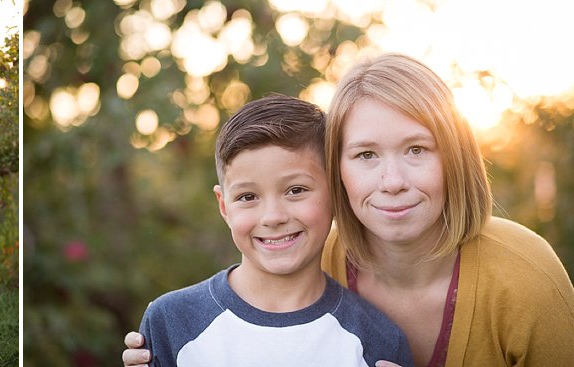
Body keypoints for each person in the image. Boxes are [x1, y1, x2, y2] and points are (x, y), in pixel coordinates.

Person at [123, 53, 574, 366]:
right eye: (365, 155)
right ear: (335, 171)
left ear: (454, 157)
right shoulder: (314, 255)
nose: (392, 181)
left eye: (417, 149)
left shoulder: (525, 277)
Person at [136, 94, 414, 366]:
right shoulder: (171, 323)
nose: (272, 217)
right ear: (224, 207)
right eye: (247, 197)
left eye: (295, 190)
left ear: (335, 193)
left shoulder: (378, 340)